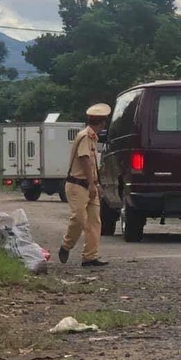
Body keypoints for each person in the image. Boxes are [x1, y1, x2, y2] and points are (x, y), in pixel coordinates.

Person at [58, 103, 112, 267]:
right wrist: (91, 184)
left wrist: (96, 184)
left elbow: (93, 165)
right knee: (79, 219)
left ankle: (90, 257)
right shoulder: (85, 136)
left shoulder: (92, 138)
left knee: (95, 222)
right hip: (78, 185)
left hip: (89, 185)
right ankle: (66, 246)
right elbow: (84, 160)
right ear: (102, 123)